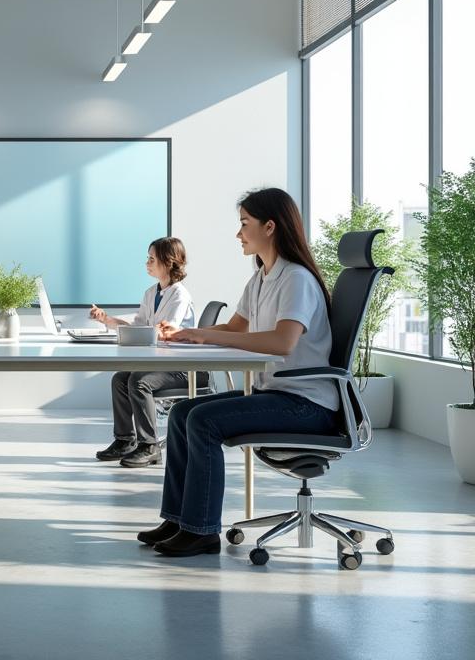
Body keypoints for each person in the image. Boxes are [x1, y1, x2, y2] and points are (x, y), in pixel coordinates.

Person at [137, 188, 340, 557]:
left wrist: (199, 335)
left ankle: (201, 531)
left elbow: (283, 342)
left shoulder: (295, 279)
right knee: (183, 412)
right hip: (277, 394)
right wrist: (190, 334)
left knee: (203, 421)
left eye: (245, 224)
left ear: (270, 226)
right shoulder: (262, 277)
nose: (239, 233)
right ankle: (179, 519)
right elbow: (235, 329)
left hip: (307, 405)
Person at [89, 237, 209, 467]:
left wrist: (143, 334)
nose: (147, 262)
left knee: (138, 381)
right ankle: (125, 440)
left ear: (168, 262)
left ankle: (150, 446)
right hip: (162, 363)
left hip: (183, 367)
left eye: (152, 258)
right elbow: (139, 327)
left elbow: (164, 332)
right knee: (119, 379)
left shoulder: (179, 295)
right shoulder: (150, 293)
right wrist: (106, 319)